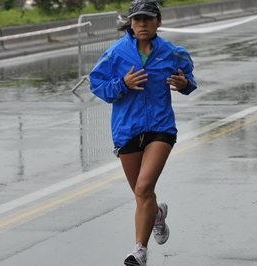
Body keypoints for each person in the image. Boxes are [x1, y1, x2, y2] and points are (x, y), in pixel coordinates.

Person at [89, 0, 197, 265]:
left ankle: (140, 251)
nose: (142, 24)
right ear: (131, 24)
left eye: (148, 19)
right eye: (137, 20)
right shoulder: (116, 54)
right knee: (142, 195)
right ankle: (157, 215)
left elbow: (189, 79)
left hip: (161, 128)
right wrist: (121, 83)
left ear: (158, 22)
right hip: (127, 130)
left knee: (144, 186)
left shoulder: (171, 53)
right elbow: (96, 84)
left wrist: (184, 84)